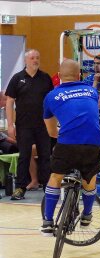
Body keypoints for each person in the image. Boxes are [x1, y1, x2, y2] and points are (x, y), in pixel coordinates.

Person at [41, 59, 100, 236]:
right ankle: (87, 215)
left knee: (55, 177)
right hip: (93, 142)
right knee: (89, 180)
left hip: (68, 143)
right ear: (79, 76)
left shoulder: (51, 96)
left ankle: (47, 221)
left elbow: (52, 131)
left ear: (59, 76)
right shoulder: (92, 91)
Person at [5, 49, 53, 200]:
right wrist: (10, 125)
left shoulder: (45, 78)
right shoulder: (17, 78)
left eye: (37, 58)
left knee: (45, 156)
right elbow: (10, 102)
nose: (35, 60)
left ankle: (47, 186)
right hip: (23, 125)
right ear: (26, 60)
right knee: (24, 157)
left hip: (43, 125)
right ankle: (20, 188)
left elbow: (51, 101)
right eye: (32, 58)